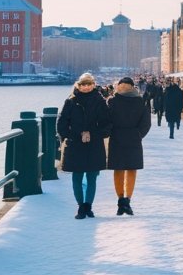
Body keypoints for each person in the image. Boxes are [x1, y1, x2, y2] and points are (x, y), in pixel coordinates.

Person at [56, 72, 112, 219]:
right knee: (77, 176)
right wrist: (75, 135)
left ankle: (88, 206)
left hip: (94, 144)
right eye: (83, 85)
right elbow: (61, 124)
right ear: (78, 85)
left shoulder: (100, 101)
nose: (86, 87)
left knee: (92, 176)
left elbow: (107, 123)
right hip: (75, 144)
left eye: (89, 84)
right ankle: (81, 206)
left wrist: (94, 134)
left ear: (93, 85)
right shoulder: (70, 101)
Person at [106, 76, 151, 216]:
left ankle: (121, 200)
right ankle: (127, 201)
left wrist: (111, 132)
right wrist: (138, 134)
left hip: (117, 139)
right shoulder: (139, 101)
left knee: (118, 170)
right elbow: (146, 123)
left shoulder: (112, 101)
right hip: (133, 140)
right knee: (132, 170)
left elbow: (106, 120)